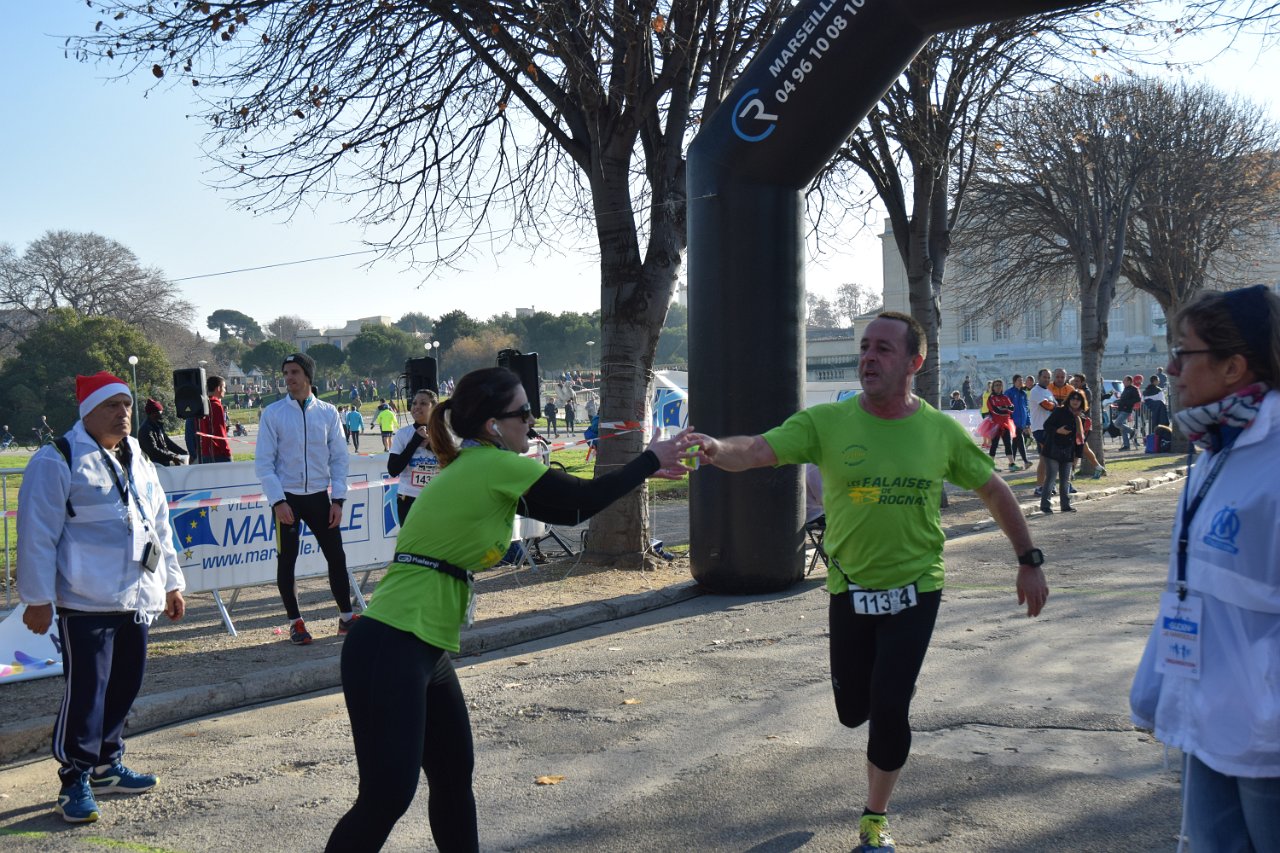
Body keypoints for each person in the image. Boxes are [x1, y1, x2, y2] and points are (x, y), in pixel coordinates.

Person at [686, 312, 1048, 853]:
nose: (868, 358)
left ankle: (875, 818)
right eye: (864, 348)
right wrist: (716, 449)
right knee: (854, 710)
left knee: (891, 702)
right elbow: (758, 449)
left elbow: (995, 490)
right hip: (849, 588)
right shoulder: (827, 423)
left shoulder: (939, 430)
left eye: (882, 349)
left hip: (917, 586)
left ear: (913, 362)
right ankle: (881, 704)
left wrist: (1028, 559)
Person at [325, 367, 694, 852]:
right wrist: (648, 459)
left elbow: (563, 510)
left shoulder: (480, 466)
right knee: (386, 797)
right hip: (391, 642)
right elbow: (579, 502)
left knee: (453, 777)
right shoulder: (492, 465)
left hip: (419, 645)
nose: (532, 419)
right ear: (494, 425)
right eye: (524, 412)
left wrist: (640, 472)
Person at [1129, 285, 1280, 852]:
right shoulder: (1215, 449)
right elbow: (1189, 587)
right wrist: (1153, 686)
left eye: (1183, 352)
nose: (1171, 369)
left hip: (1268, 735)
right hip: (1203, 715)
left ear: (1233, 366)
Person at [16, 371, 186, 824]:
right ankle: (74, 777)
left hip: (137, 597)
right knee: (88, 692)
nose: (123, 413)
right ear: (87, 412)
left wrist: (172, 583)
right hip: (85, 599)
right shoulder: (58, 458)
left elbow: (160, 526)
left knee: (126, 684)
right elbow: (36, 533)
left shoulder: (138, 457)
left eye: (126, 405)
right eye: (112, 405)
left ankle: (107, 763)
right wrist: (37, 598)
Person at [255, 353, 357, 645]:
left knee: (336, 557)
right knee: (287, 559)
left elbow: (339, 458)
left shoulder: (328, 412)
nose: (289, 377)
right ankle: (295, 622)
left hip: (320, 498)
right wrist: (278, 501)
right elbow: (264, 463)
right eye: (286, 372)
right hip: (287, 498)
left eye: (295, 372)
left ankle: (346, 618)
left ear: (308, 376)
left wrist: (338, 500)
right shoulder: (273, 413)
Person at [387, 389, 440, 525]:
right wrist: (415, 441)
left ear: (434, 408)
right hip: (408, 499)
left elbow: (453, 464)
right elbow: (393, 470)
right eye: (414, 403)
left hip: (438, 498)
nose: (417, 406)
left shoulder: (444, 433)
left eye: (423, 403)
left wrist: (431, 446)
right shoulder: (402, 434)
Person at [1039, 390, 1085, 514]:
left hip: (1068, 452)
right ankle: (1045, 506)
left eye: (1078, 399)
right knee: (1051, 478)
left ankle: (1065, 505)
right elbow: (1047, 425)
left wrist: (1077, 456)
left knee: (1066, 480)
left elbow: (1080, 440)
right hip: (1052, 450)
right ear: (1069, 400)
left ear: (1081, 402)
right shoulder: (1060, 411)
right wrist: (1058, 431)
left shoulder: (1080, 417)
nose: (1075, 401)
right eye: (1073, 398)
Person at [1029, 368, 1057, 497]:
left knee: (1048, 458)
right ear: (1039, 377)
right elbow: (1047, 406)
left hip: (1050, 428)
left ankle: (1047, 484)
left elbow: (1054, 405)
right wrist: (1054, 406)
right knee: (1046, 458)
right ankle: (1040, 487)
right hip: (1040, 428)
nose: (1046, 379)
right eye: (1044, 377)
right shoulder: (1035, 391)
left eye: (1048, 377)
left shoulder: (1048, 391)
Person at [138, 399, 187, 467]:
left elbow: (168, 443)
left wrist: (184, 453)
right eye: (160, 412)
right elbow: (153, 450)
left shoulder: (157, 425)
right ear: (153, 413)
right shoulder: (146, 429)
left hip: (163, 464)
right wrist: (172, 457)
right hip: (154, 466)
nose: (161, 413)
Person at [196, 375, 232, 463]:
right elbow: (219, 432)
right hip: (217, 453)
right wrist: (227, 451)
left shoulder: (201, 405)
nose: (225, 390)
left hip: (204, 452)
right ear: (218, 388)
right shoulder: (216, 406)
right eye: (224, 387)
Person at [985, 379, 1016, 469]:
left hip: (1006, 423)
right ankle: (990, 465)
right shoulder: (991, 398)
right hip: (995, 424)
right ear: (993, 387)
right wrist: (1006, 408)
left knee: (1008, 444)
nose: (998, 387)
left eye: (1000, 385)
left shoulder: (1005, 397)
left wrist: (1003, 408)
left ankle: (1012, 464)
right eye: (996, 385)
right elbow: (996, 410)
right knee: (994, 444)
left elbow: (1012, 409)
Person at [1006, 374, 1032, 469]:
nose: (1021, 382)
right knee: (1020, 439)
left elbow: (1026, 408)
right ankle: (1025, 461)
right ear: (1014, 382)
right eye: (1019, 380)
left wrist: (1028, 422)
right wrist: (1009, 419)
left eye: (1022, 380)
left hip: (1022, 422)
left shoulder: (1023, 394)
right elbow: (1006, 407)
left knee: (1015, 442)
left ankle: (1012, 464)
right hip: (1012, 421)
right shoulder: (1009, 392)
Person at [1114, 375, 1142, 450]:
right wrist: (1118, 402)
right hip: (1121, 409)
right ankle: (1126, 446)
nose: (1123, 382)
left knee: (1117, 423)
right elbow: (1123, 399)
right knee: (1122, 429)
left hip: (1126, 410)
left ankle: (1132, 431)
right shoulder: (1125, 389)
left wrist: (1127, 403)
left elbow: (1138, 399)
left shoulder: (1134, 389)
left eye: (1124, 380)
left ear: (1129, 381)